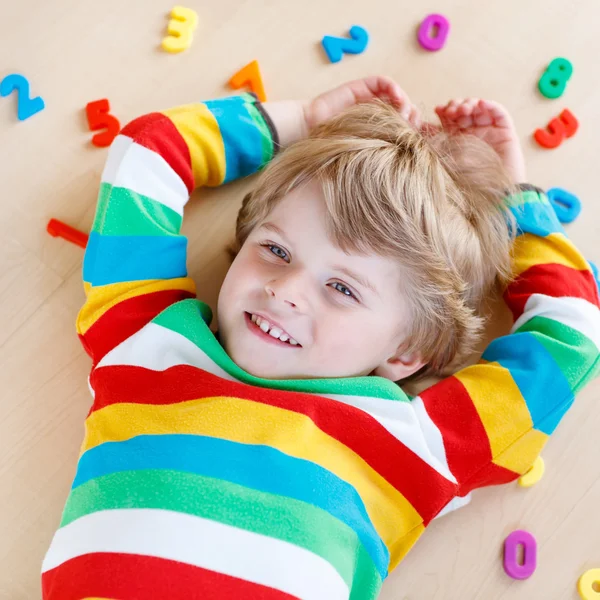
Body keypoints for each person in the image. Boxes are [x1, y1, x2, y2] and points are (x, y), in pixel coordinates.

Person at [41, 77, 600, 599]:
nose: (286, 291)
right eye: (277, 251)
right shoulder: (147, 339)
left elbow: (573, 338)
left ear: (407, 352)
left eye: (341, 288)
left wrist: (514, 208)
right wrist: (299, 122)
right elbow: (147, 153)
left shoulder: (417, 444)